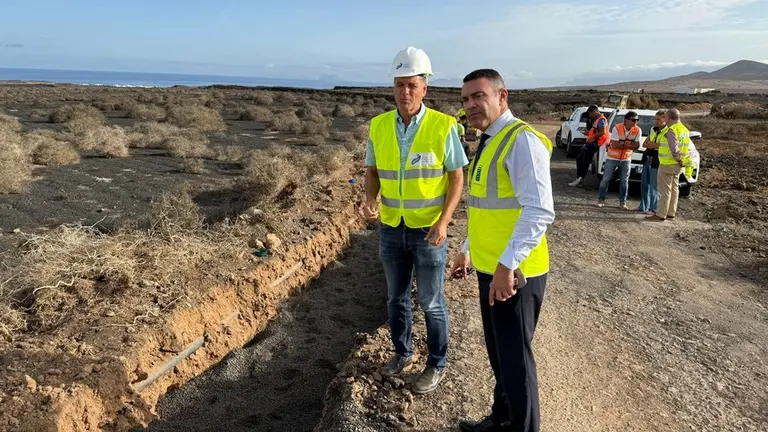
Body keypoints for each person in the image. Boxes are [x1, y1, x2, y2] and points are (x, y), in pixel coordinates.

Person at [451, 68, 555, 432]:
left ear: (501, 96)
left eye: (478, 96)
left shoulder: (521, 140)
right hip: (490, 267)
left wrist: (507, 266)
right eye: (465, 99)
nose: (470, 105)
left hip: (515, 274)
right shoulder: (489, 140)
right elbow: (484, 208)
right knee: (500, 355)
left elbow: (540, 210)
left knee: (515, 359)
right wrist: (466, 248)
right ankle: (501, 419)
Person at [363, 46, 469, 394]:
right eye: (399, 85)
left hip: (429, 232)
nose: (405, 92)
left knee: (431, 302)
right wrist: (368, 199)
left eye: (412, 85)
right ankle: (401, 353)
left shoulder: (443, 126)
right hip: (392, 228)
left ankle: (436, 364)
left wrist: (444, 222)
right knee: (395, 299)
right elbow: (372, 170)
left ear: (425, 87)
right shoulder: (378, 126)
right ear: (392, 87)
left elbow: (456, 178)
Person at [646, 108, 690, 221]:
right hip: (678, 165)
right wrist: (682, 162)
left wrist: (678, 159)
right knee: (675, 188)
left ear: (669, 118)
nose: (664, 119)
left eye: (665, 117)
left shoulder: (672, 130)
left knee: (664, 190)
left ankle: (660, 214)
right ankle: (671, 212)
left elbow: (674, 149)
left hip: (668, 164)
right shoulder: (684, 129)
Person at [596, 111, 642, 209]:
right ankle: (601, 199)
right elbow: (615, 144)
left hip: (626, 159)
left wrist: (623, 143)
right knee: (606, 179)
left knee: (624, 181)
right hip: (612, 158)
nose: (635, 122)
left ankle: (622, 202)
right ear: (626, 120)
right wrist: (630, 145)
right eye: (633, 120)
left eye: (637, 120)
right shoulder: (617, 128)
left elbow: (637, 146)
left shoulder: (638, 130)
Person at [569, 105, 609, 187]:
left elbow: (602, 132)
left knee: (584, 161)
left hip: (595, 143)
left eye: (591, 114)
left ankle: (580, 179)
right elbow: (596, 131)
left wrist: (592, 138)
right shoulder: (597, 119)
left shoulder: (601, 120)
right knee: (580, 159)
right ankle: (579, 178)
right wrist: (588, 133)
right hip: (592, 142)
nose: (590, 116)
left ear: (595, 111)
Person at [637, 110, 665, 214]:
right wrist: (654, 145)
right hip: (648, 158)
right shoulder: (653, 129)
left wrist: (653, 145)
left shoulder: (667, 131)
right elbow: (645, 144)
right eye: (655, 119)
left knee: (654, 185)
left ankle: (654, 208)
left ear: (664, 119)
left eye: (658, 119)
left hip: (657, 160)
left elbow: (663, 146)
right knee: (645, 183)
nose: (656, 121)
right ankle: (643, 206)